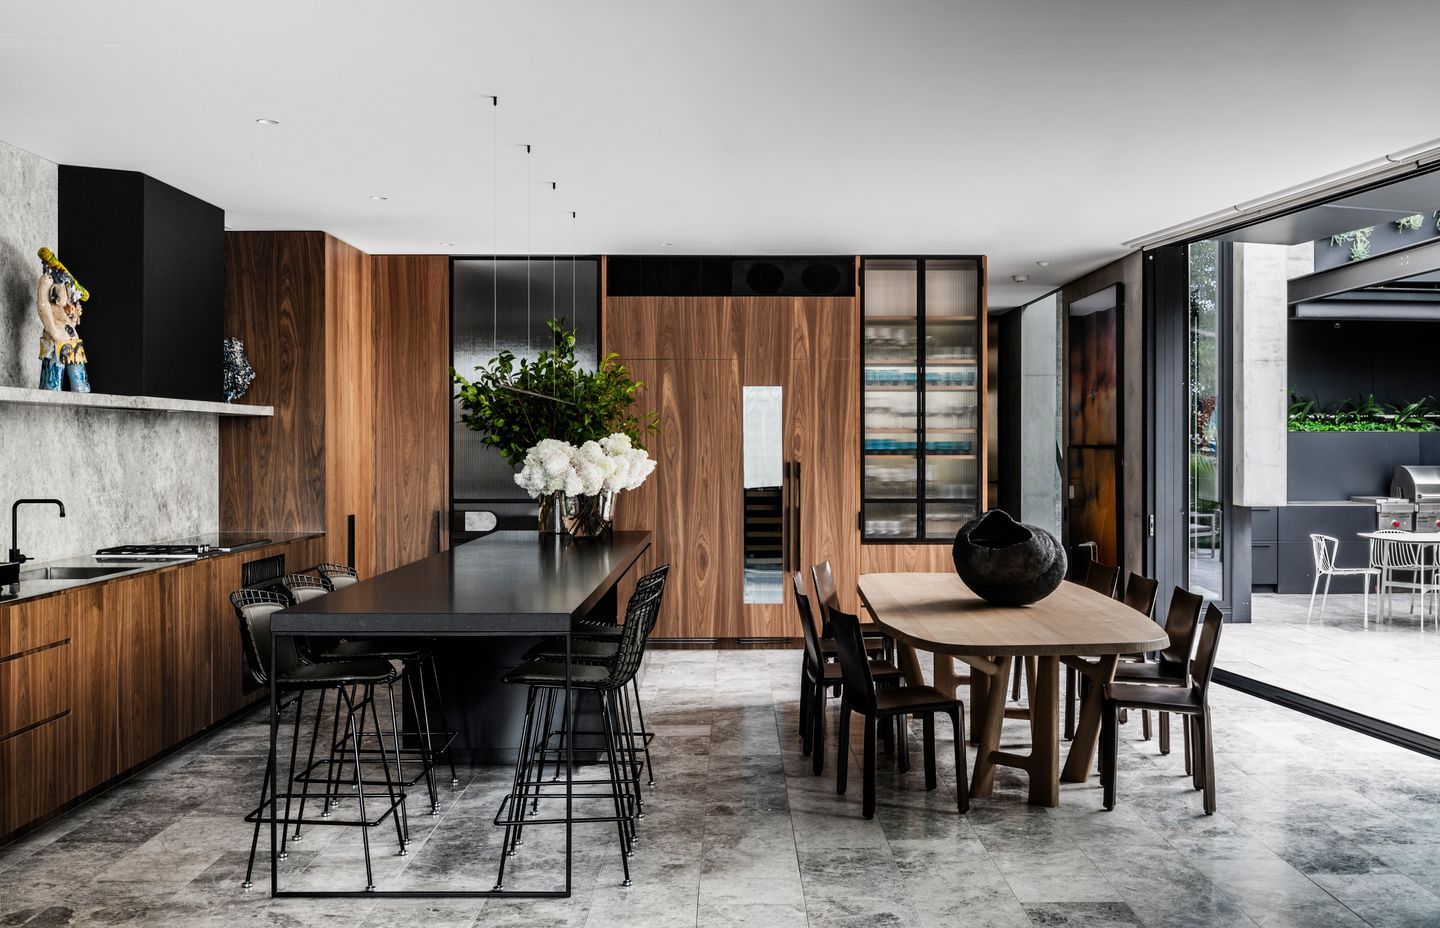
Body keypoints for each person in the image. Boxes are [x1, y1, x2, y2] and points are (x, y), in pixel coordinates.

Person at [35, 247, 90, 392]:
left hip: (71, 336)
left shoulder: (68, 284)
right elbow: (43, 306)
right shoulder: (47, 280)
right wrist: (52, 330)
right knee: (52, 383)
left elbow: (73, 309)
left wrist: (74, 315)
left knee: (80, 385)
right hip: (56, 335)